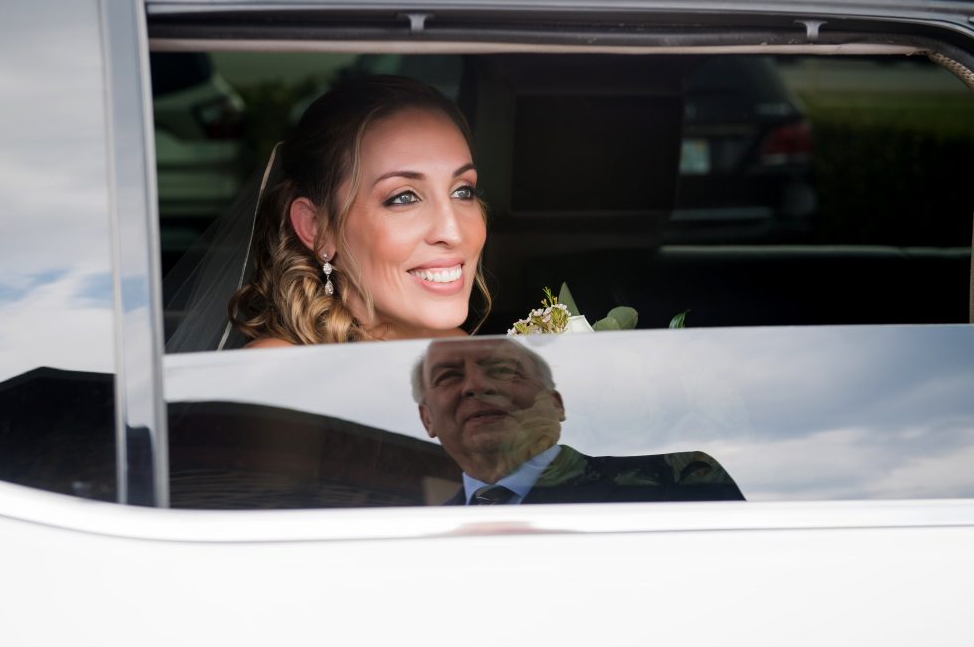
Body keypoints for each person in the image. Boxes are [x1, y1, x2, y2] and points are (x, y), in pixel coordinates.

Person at [227, 75, 490, 347]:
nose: (452, 232)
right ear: (316, 228)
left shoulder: (464, 354)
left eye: (463, 191)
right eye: (403, 197)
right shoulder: (273, 370)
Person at [411, 338, 744, 505]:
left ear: (556, 404)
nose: (475, 386)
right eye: (449, 377)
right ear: (427, 419)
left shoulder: (679, 479)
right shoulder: (408, 536)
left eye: (502, 371)